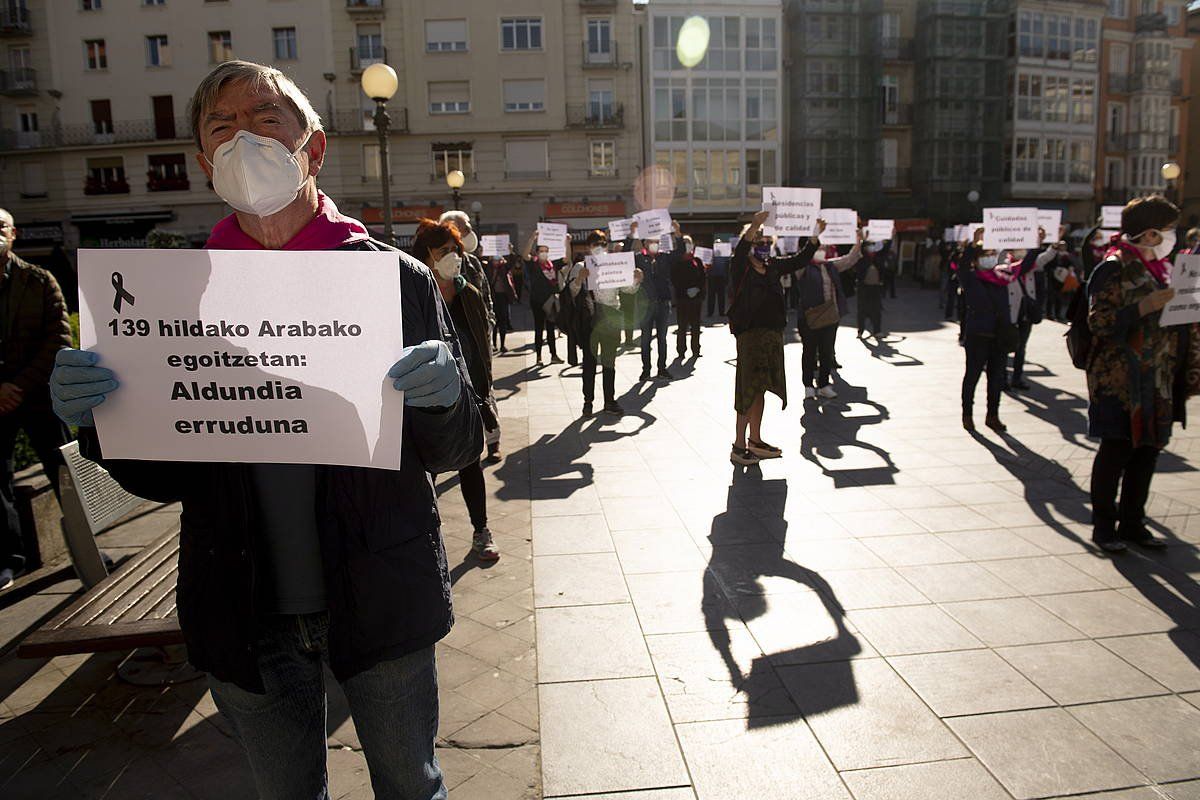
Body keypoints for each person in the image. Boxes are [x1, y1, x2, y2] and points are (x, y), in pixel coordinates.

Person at [47, 61, 482, 799]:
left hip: (379, 592)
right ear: (203, 161)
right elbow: (160, 476)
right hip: (242, 606)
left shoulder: (395, 279)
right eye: (222, 127)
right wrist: (100, 421)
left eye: (265, 119)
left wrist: (445, 400)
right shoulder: (176, 297)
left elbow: (458, 447)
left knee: (412, 785)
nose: (243, 138)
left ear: (312, 149)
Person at [1086, 195, 1198, 553]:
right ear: (1150, 234)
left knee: (1147, 452)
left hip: (1158, 379)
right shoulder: (1113, 266)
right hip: (1120, 381)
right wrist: (1144, 306)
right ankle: (1104, 527)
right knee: (1116, 451)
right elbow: (1099, 323)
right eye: (1167, 230)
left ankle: (1133, 523)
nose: (1172, 236)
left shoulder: (1165, 268)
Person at [413, 219, 501, 560]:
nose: (452, 257)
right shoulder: (416, 294)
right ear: (428, 258)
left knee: (470, 465)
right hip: (425, 400)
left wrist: (485, 397)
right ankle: (426, 537)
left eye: (455, 251)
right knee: (425, 474)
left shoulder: (470, 294)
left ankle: (481, 530)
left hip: (466, 395)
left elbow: (482, 349)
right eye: (443, 252)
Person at [0, 208, 73, 591]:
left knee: (63, 470)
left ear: (14, 234)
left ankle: (88, 547)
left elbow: (58, 341)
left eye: (0, 228)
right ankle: (11, 561)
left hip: (38, 395)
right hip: (0, 399)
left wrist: (19, 386)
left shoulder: (40, 280)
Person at [727, 211, 824, 466]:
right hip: (750, 337)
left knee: (761, 389)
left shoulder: (772, 267)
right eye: (759, 243)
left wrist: (814, 236)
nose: (764, 246)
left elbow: (799, 259)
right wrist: (756, 224)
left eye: (767, 243)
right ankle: (738, 445)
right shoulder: (741, 267)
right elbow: (741, 250)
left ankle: (755, 441)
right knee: (746, 390)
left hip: (772, 336)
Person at [439, 211, 501, 463]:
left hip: (474, 341)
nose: (468, 233)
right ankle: (464, 444)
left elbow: (484, 296)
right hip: (448, 343)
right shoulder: (431, 265)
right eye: (463, 228)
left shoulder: (472, 263)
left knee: (485, 390)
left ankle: (493, 440)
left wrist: (489, 325)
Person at [565, 230, 643, 417]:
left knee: (609, 362)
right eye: (594, 245)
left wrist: (637, 280)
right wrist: (579, 279)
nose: (598, 248)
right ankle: (588, 402)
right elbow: (571, 293)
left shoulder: (615, 264)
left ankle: (610, 400)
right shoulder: (580, 266)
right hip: (590, 318)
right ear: (588, 248)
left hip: (612, 316)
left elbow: (628, 290)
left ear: (606, 246)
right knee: (590, 362)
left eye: (602, 244)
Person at [958, 231, 1015, 433]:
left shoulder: (1002, 278)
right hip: (977, 336)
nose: (989, 257)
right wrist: (973, 245)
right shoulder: (971, 278)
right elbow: (962, 265)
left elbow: (1024, 265)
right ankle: (967, 414)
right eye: (985, 254)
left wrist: (1036, 244)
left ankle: (993, 415)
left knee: (996, 378)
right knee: (972, 376)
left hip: (998, 335)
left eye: (992, 254)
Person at [796, 233, 862, 399]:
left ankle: (824, 384)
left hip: (830, 316)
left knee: (826, 351)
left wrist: (858, 239)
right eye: (818, 247)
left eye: (823, 248)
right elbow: (799, 260)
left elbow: (850, 259)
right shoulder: (802, 267)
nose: (821, 250)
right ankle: (808, 385)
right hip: (809, 317)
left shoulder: (830, 266)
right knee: (809, 352)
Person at [632, 220, 683, 381]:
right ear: (645, 243)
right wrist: (633, 233)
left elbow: (679, 252)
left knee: (662, 338)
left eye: (656, 241)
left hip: (663, 303)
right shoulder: (639, 258)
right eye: (650, 241)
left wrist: (677, 233)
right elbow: (625, 258)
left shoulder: (665, 257)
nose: (654, 244)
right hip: (645, 305)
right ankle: (646, 370)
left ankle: (662, 369)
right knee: (645, 339)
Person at [438, 210, 493, 335]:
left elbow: (485, 293)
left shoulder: (472, 261)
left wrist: (489, 322)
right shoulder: (436, 263)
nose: (470, 233)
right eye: (466, 229)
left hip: (478, 335)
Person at [520, 231, 562, 365]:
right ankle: (538, 357)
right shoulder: (533, 264)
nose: (544, 253)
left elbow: (567, 259)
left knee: (551, 329)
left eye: (546, 251)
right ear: (537, 253)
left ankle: (554, 355)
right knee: (539, 329)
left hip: (550, 301)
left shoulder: (552, 265)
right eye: (541, 251)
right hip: (537, 301)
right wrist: (532, 239)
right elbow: (525, 255)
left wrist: (566, 241)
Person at [672, 234, 706, 358]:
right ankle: (681, 351)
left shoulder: (697, 260)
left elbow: (703, 278)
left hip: (696, 299)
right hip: (682, 299)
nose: (687, 246)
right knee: (682, 326)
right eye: (684, 243)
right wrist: (685, 290)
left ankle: (696, 350)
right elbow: (674, 279)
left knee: (696, 326)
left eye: (689, 243)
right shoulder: (677, 261)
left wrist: (699, 290)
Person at [855, 240, 887, 339]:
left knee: (876, 309)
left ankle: (877, 330)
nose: (871, 247)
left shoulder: (878, 257)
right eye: (869, 245)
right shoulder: (861, 257)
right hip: (863, 287)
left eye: (873, 245)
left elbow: (886, 249)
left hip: (876, 287)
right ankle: (860, 331)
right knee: (862, 310)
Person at [487, 255, 517, 353]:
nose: (496, 262)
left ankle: (502, 345)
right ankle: (494, 344)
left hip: (503, 297)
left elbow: (513, 261)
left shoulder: (504, 267)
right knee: (494, 321)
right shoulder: (488, 268)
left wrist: (510, 251)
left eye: (498, 260)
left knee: (503, 321)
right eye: (494, 260)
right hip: (493, 297)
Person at [707, 242, 729, 318]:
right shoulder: (710, 254)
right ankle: (710, 312)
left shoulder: (725, 255)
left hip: (721, 276)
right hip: (712, 276)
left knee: (721, 296)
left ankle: (721, 312)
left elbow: (727, 265)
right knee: (711, 295)